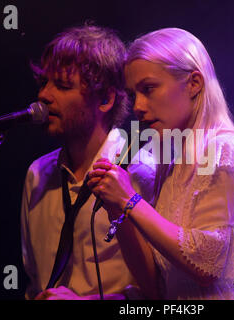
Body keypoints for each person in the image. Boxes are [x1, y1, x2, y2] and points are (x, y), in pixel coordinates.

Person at [87, 28, 234, 300]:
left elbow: (207, 264)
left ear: (194, 83)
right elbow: (154, 285)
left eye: (148, 89)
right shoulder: (171, 163)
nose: (137, 106)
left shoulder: (225, 149)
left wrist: (130, 200)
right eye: (134, 94)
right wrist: (117, 208)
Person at [20, 23, 154, 300]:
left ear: (104, 98)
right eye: (44, 82)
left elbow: (161, 292)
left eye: (62, 85)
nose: (43, 95)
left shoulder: (142, 171)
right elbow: (34, 282)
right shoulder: (37, 173)